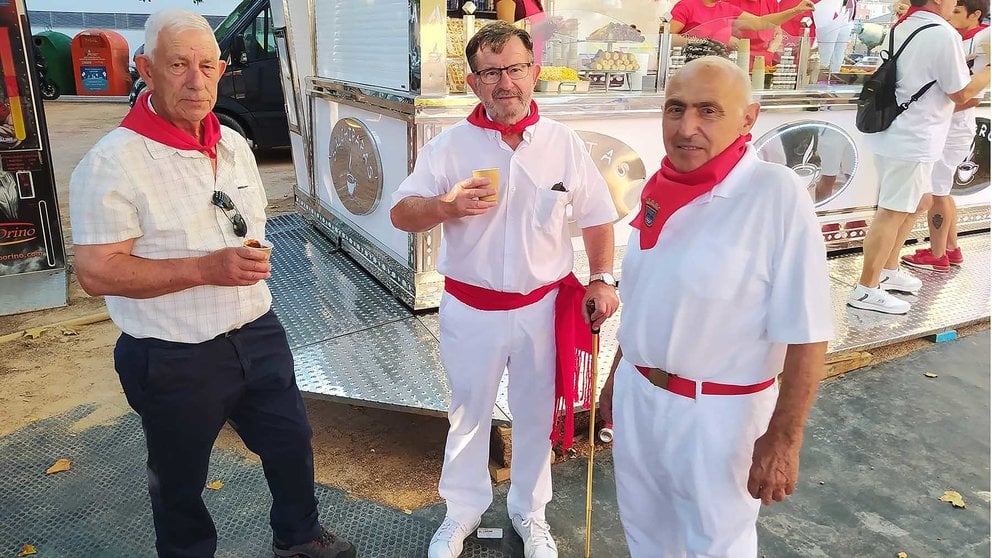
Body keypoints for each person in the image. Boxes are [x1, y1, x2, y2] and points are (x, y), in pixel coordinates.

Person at [68, 9, 355, 558]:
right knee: (179, 479)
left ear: (222, 69)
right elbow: (96, 272)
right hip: (172, 353)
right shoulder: (112, 164)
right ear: (147, 71)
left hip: (255, 329)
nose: (196, 81)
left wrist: (232, 267)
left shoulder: (232, 143)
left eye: (206, 65)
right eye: (178, 65)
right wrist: (205, 268)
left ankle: (299, 539)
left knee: (291, 443)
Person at [390, 21, 619, 558]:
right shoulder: (449, 146)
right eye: (491, 73)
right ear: (473, 82)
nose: (505, 82)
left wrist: (602, 278)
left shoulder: (562, 143)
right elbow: (402, 213)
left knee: (537, 414)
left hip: (542, 308)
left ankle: (529, 512)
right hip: (471, 308)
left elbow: (598, 217)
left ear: (533, 72)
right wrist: (445, 207)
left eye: (515, 69)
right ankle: (461, 512)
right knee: (468, 413)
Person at [599, 56, 833, 557]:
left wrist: (784, 440)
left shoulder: (776, 195)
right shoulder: (655, 191)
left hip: (719, 414)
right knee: (645, 533)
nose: (687, 128)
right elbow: (648, 295)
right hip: (640, 399)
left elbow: (809, 330)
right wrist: (618, 377)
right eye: (675, 109)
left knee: (715, 544)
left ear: (748, 118)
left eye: (709, 111)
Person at [849, 0, 990, 314]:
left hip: (896, 131)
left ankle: (887, 270)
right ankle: (866, 288)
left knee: (919, 202)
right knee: (892, 212)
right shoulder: (942, 33)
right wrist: (988, 71)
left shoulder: (904, 25)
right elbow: (962, 93)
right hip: (914, 137)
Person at [901, 0, 989, 272]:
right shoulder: (957, 37)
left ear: (975, 15)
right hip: (949, 124)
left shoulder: (981, 41)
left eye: (958, 11)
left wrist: (937, 106)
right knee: (944, 191)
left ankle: (937, 255)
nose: (951, 13)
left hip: (954, 126)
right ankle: (950, 248)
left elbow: (972, 97)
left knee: (937, 192)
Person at [669, 0, 814, 50]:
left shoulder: (726, 8)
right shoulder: (686, 5)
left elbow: (760, 23)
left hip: (721, 69)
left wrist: (795, 10)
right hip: (691, 67)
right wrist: (707, 42)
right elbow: (668, 39)